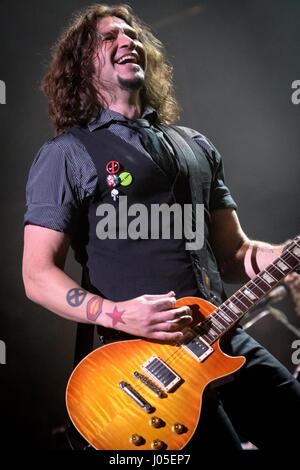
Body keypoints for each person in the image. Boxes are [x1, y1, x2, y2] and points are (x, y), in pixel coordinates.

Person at [22, 3, 300, 451]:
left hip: (224, 338)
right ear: (80, 65)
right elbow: (36, 276)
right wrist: (119, 314)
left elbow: (233, 255)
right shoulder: (66, 154)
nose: (127, 40)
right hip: (145, 363)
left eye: (132, 34)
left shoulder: (196, 145)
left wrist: (286, 253)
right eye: (109, 37)